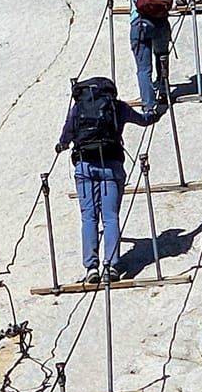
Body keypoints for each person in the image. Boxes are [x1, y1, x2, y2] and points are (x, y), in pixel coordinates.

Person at [55, 75, 150, 281]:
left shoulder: (79, 108)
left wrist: (62, 145)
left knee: (88, 217)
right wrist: (155, 112)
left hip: (85, 166)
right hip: (111, 166)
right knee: (110, 216)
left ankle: (91, 268)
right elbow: (143, 120)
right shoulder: (117, 107)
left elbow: (66, 136)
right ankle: (111, 266)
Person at [98, 0, 176, 118]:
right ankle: (163, 90)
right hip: (161, 23)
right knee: (162, 56)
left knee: (143, 69)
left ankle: (149, 107)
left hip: (140, 23)